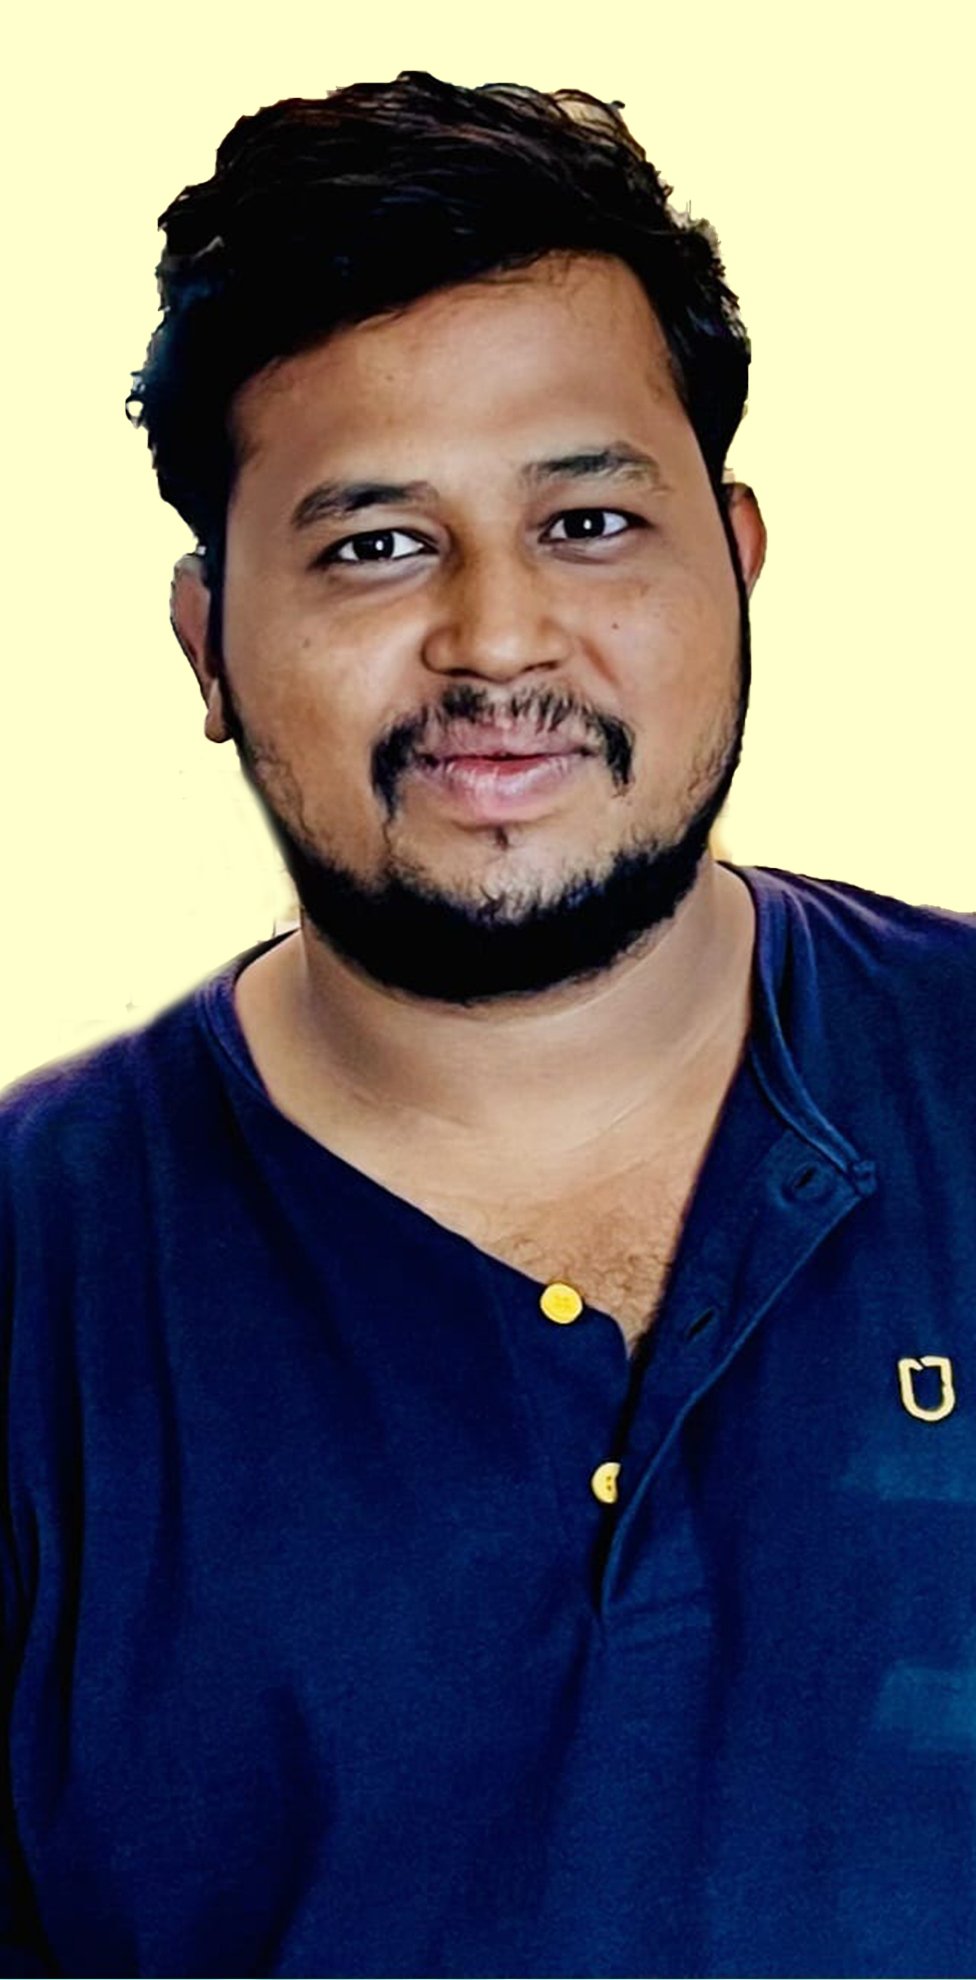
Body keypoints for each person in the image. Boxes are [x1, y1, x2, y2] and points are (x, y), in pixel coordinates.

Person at [0, 69, 973, 1980]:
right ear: (208, 641)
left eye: (589, 520)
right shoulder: (38, 1281)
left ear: (738, 561)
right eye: (375, 544)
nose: (499, 639)